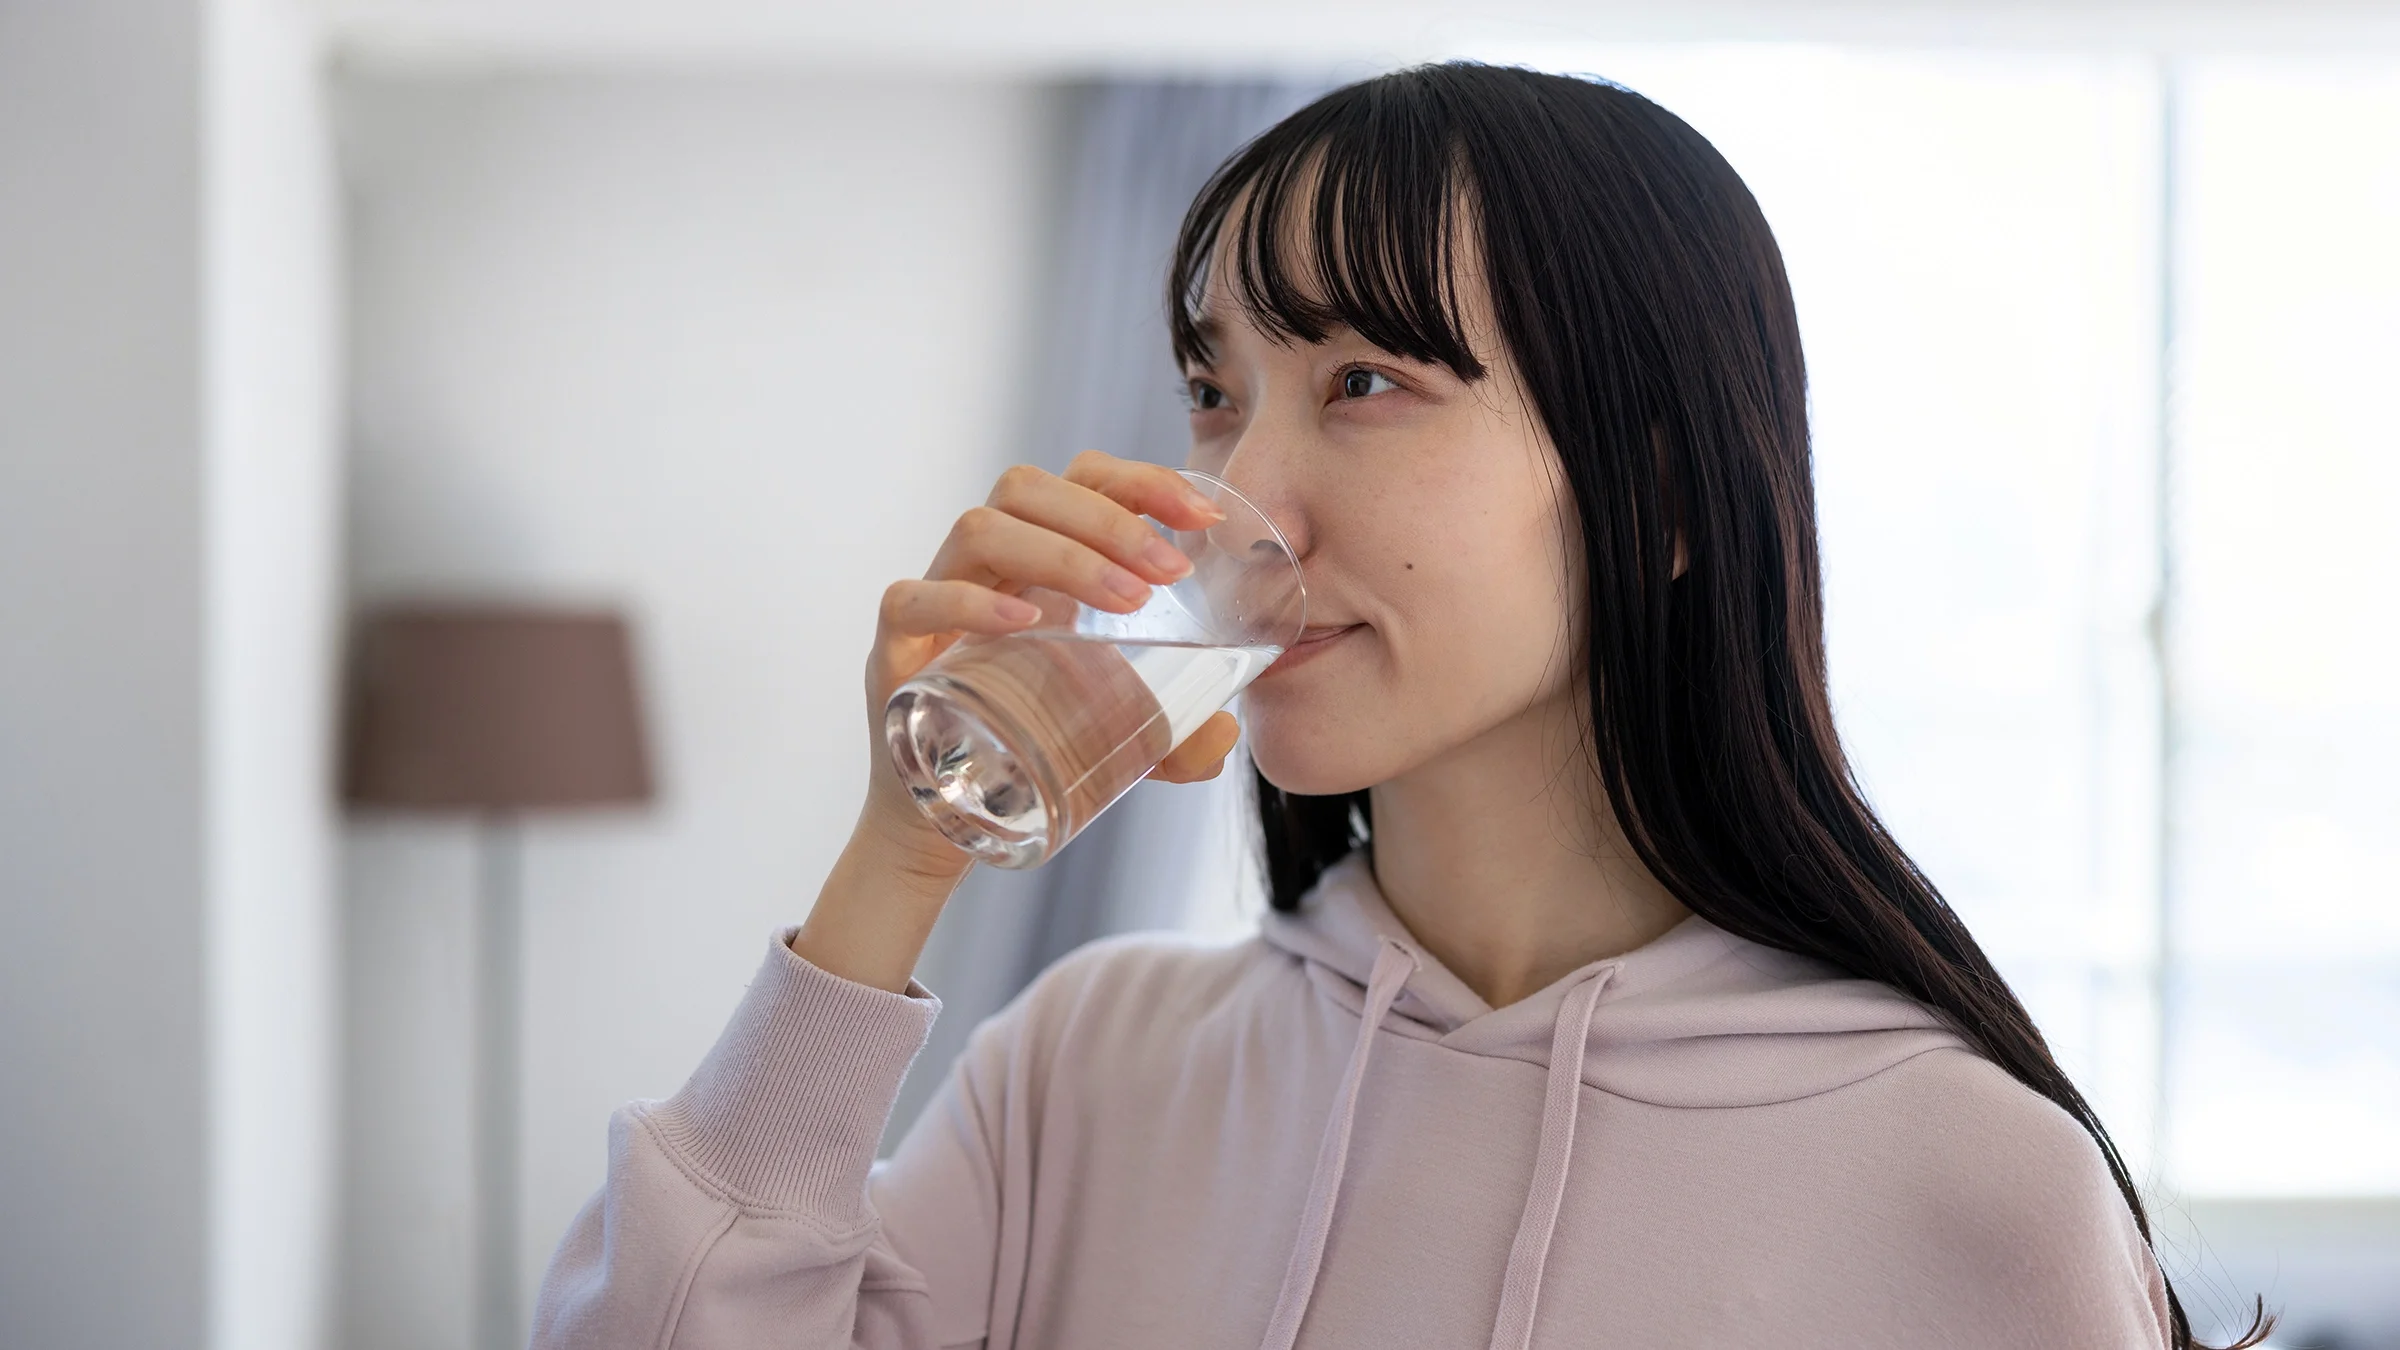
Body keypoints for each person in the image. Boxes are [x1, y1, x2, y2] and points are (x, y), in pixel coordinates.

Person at [530, 63, 2270, 1350]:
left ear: (1655, 495)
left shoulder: (1966, 1183)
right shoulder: (1093, 1076)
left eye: (1365, 380)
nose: (1244, 492)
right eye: (1217, 394)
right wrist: (896, 861)